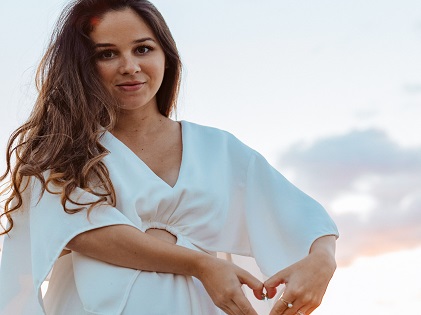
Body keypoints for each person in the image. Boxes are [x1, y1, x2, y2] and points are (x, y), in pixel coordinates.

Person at [0, 0, 339, 314]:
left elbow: (301, 216)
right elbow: (82, 231)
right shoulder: (63, 148)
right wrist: (201, 264)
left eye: (143, 49)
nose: (130, 66)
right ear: (82, 66)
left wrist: (323, 261)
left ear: (166, 56)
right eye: (107, 54)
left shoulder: (217, 148)